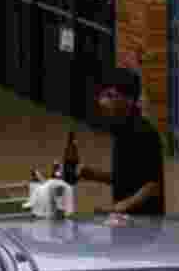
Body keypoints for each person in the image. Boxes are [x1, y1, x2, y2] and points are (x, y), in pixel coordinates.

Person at [71, 67, 166, 215]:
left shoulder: (145, 133)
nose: (103, 101)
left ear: (128, 100)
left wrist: (121, 207)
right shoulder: (120, 129)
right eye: (103, 95)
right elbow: (127, 178)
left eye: (110, 96)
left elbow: (152, 186)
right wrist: (91, 174)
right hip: (123, 221)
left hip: (145, 224)